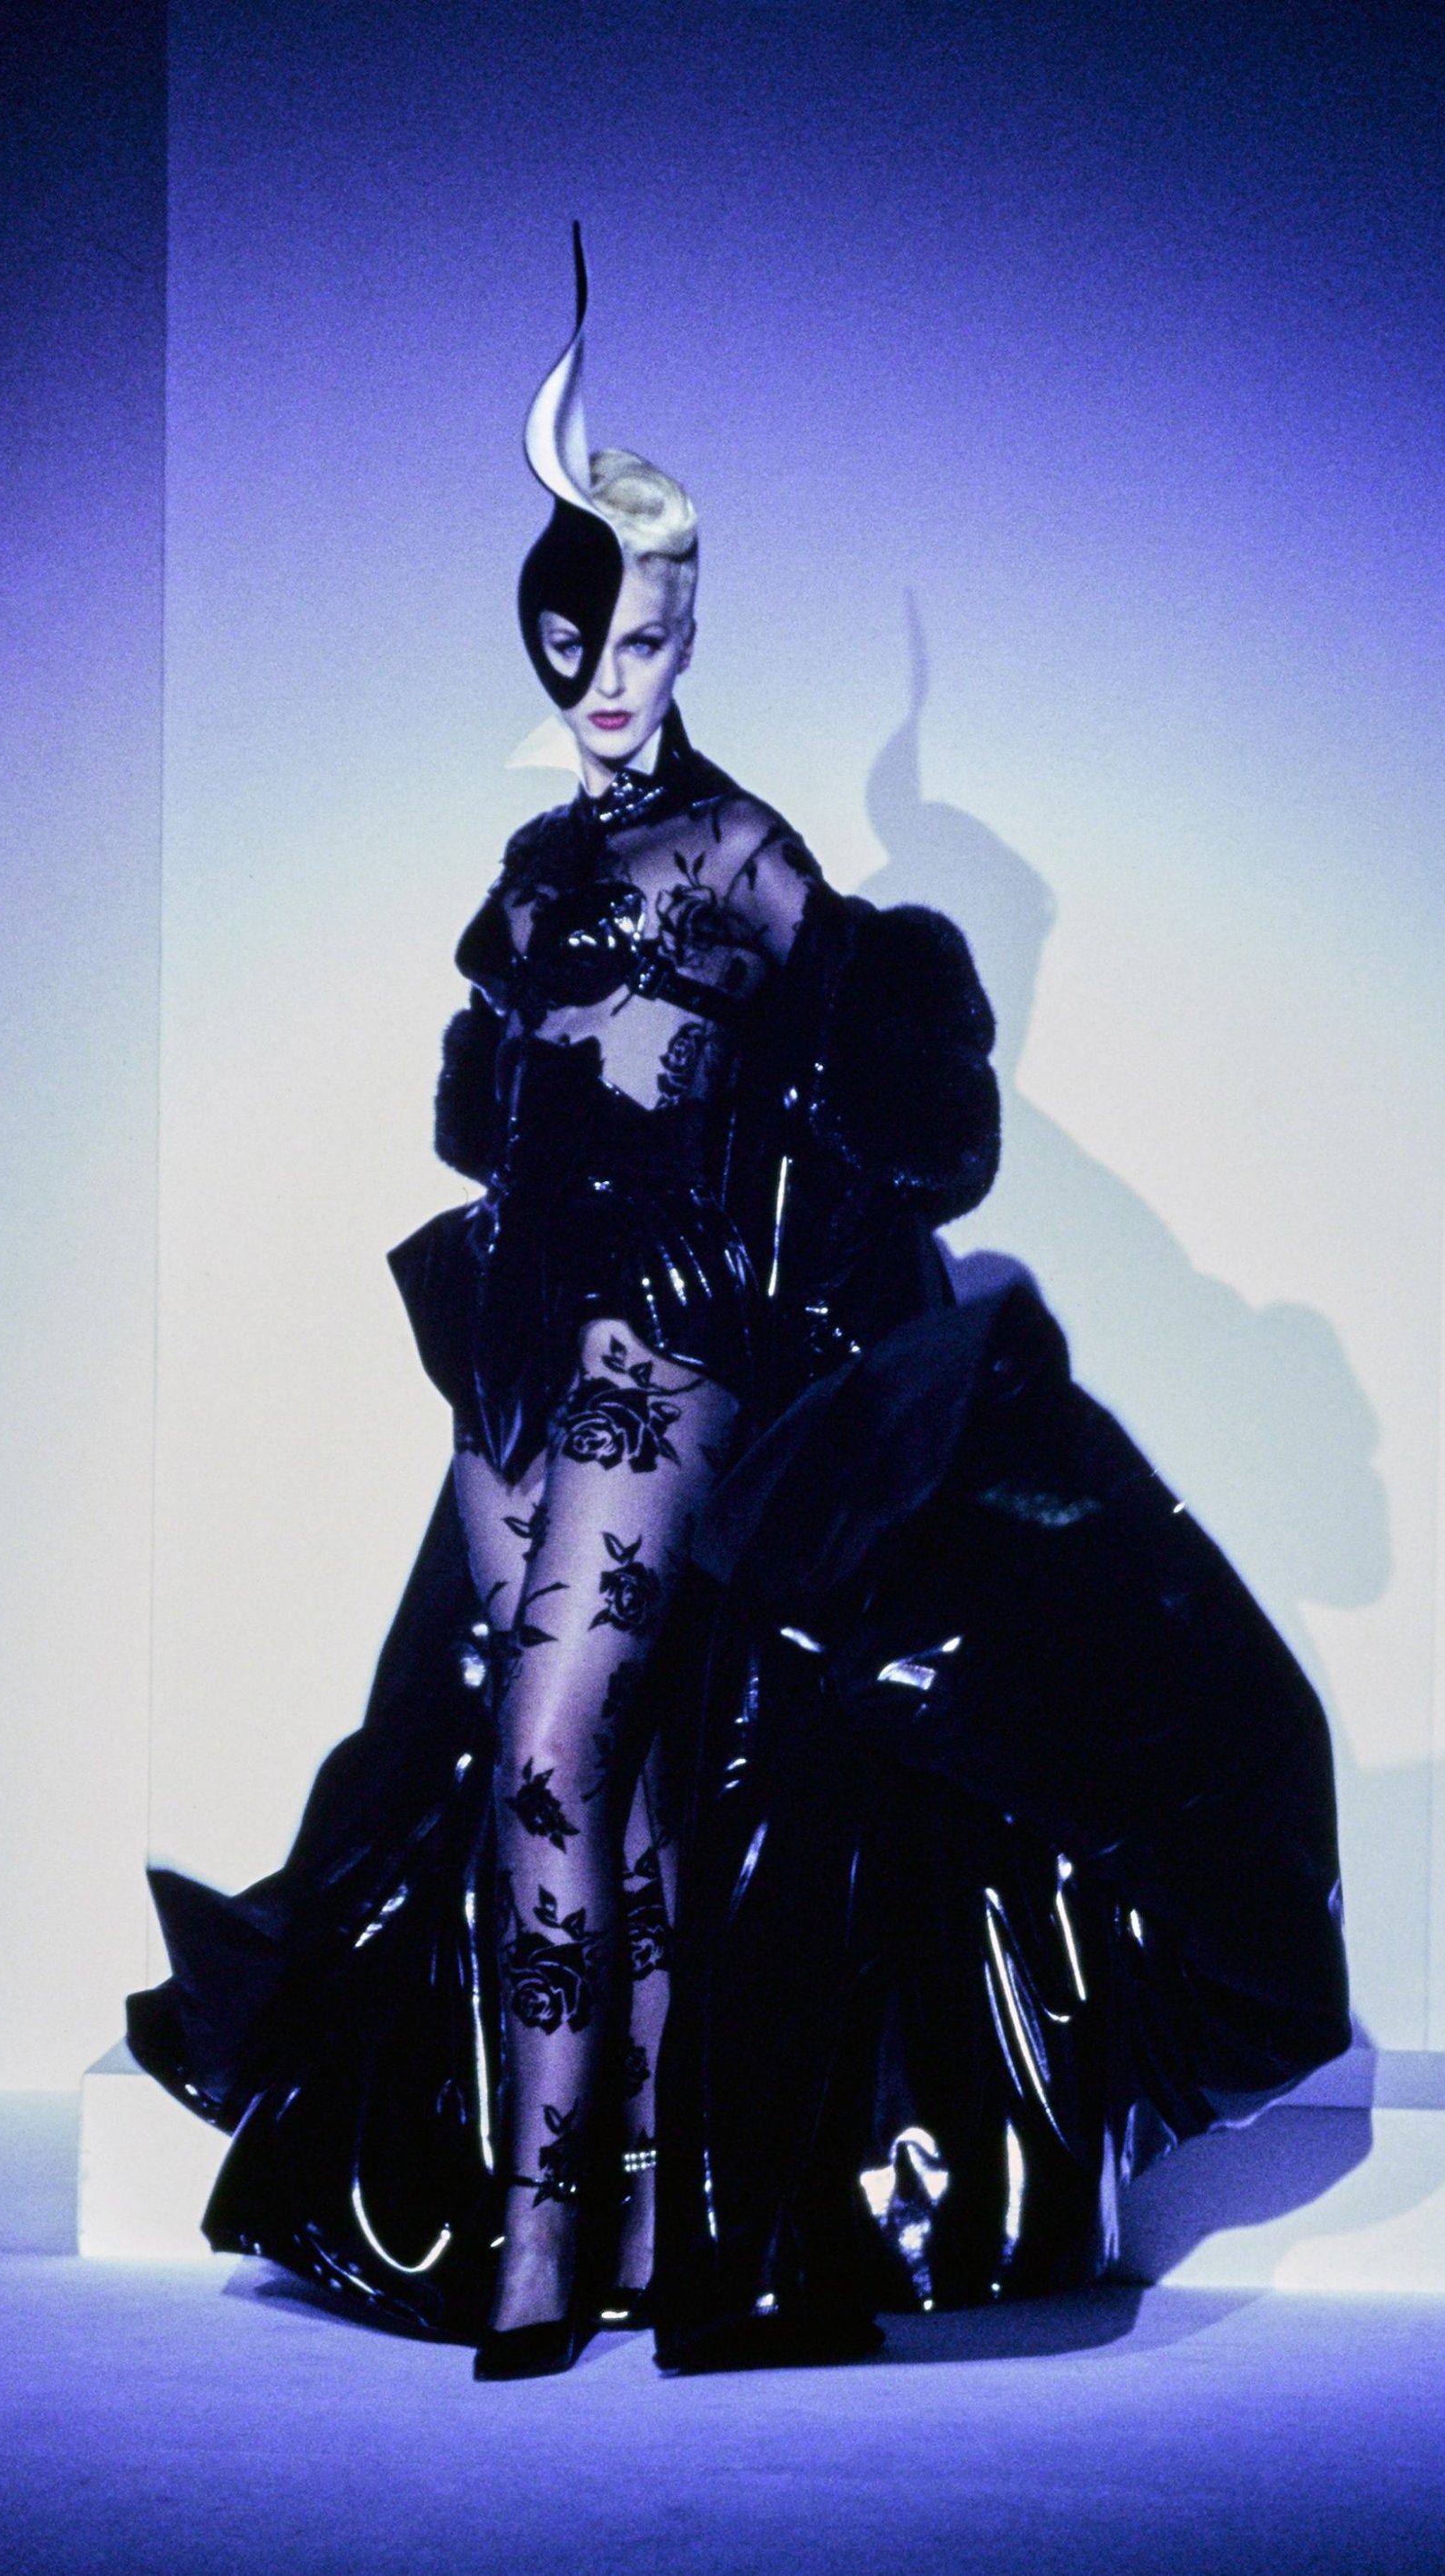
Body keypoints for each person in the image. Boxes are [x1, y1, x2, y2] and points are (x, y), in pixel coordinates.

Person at [128, 234, 1350, 2380]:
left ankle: (542, 2248)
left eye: (643, 636)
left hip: (669, 1361)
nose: (611, 677)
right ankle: (640, 2217)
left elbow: (906, 1124)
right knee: (606, 1793)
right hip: (510, 1362)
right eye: (578, 641)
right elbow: (481, 1122)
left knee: (550, 1752)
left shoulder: (753, 861)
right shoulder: (530, 881)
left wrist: (813, 1258)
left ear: (688, 631)